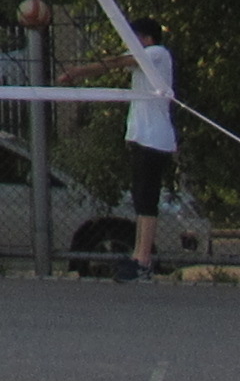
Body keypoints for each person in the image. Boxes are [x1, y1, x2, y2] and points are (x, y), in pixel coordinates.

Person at [59, 15, 181, 280]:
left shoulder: (158, 53)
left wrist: (79, 71)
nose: (129, 43)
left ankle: (143, 261)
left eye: (133, 37)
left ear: (145, 38)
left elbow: (117, 62)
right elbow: (119, 64)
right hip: (141, 139)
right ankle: (139, 257)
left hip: (155, 140)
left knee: (147, 200)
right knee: (140, 200)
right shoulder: (145, 61)